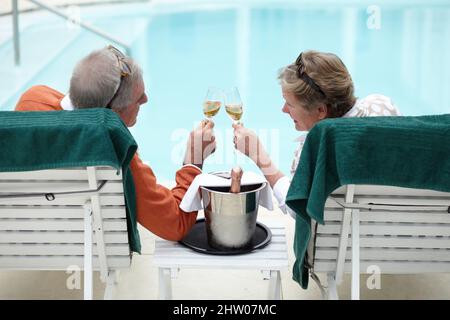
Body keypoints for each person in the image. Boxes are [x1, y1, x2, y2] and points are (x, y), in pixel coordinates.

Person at [15, 45, 216, 241]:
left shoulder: (31, 102)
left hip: (25, 236)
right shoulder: (115, 151)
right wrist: (193, 160)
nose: (145, 100)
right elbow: (175, 225)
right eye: (138, 98)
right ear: (111, 113)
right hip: (86, 244)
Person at [233, 50, 400, 217]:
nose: (283, 110)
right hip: (395, 230)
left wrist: (259, 156)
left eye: (289, 104)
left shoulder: (316, 152)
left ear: (320, 110)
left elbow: (296, 208)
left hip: (343, 240)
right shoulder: (383, 106)